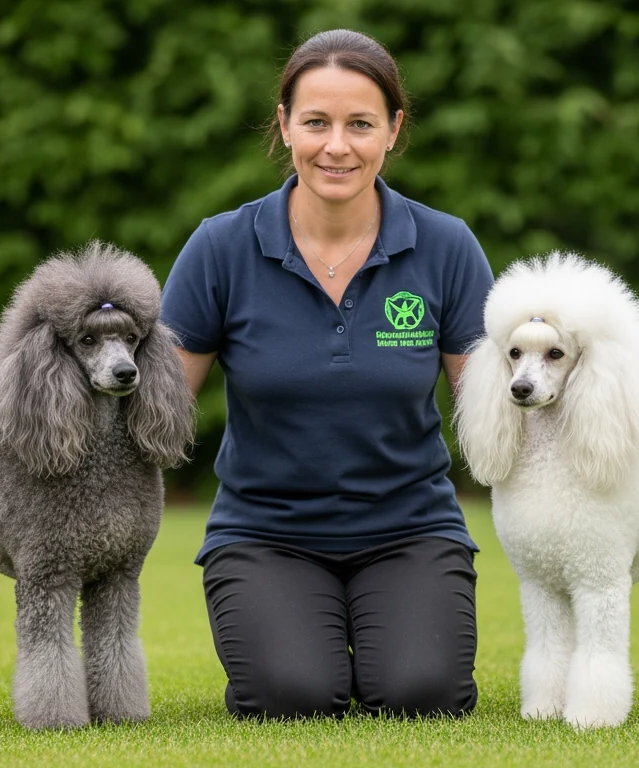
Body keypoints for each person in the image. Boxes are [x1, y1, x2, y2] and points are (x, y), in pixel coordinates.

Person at [161, 28, 494, 720]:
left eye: (360, 124)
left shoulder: (447, 246)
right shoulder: (220, 247)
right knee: (292, 696)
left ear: (394, 131)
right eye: (316, 122)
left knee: (421, 696)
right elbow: (156, 416)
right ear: (284, 126)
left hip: (411, 528)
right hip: (264, 533)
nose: (336, 146)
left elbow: (493, 414)